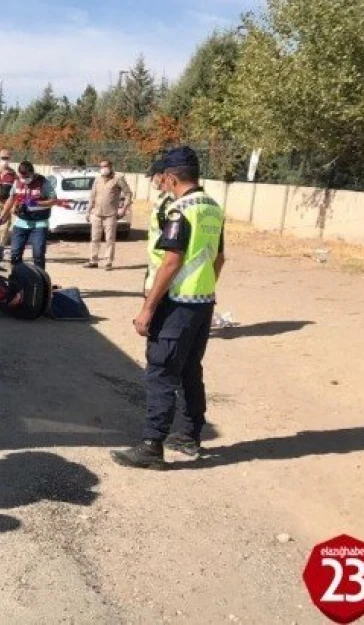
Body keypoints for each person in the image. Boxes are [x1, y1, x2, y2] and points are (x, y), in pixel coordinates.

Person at [112, 146, 227, 469]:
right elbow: (218, 258)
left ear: (172, 177)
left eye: (163, 177)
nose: (160, 182)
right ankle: (189, 435)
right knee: (191, 371)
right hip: (201, 304)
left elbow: (171, 262)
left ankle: (152, 445)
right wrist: (205, 291)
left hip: (175, 304)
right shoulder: (212, 208)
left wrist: (148, 308)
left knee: (161, 373)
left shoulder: (180, 211)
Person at [0, 161, 64, 269]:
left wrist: (37, 203)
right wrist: (1, 217)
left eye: (27, 177)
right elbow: (11, 199)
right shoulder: (17, 182)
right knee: (15, 254)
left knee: (38, 254)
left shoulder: (43, 183)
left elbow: (54, 201)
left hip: (39, 224)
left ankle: (40, 279)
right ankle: (17, 279)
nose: (24, 179)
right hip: (21, 223)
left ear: (32, 173)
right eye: (22, 177)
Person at [86, 158, 134, 270]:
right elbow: (92, 196)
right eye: (101, 166)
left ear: (110, 166)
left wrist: (124, 208)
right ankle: (93, 260)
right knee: (94, 238)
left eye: (105, 166)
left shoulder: (118, 178)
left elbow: (128, 193)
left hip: (111, 214)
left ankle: (108, 262)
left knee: (110, 239)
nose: (103, 169)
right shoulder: (97, 179)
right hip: (96, 213)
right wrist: (88, 211)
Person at [143, 158, 175, 296]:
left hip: (163, 267)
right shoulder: (163, 198)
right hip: (155, 263)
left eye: (153, 176)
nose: (152, 180)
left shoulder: (172, 201)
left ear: (162, 176)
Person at [0, 150, 19, 247]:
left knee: (4, 224)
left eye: (7, 158)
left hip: (7, 202)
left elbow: (17, 187)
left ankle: (1, 246)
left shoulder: (12, 173)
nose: (5, 160)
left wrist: (15, 203)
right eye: (3, 158)